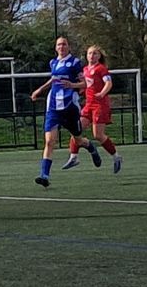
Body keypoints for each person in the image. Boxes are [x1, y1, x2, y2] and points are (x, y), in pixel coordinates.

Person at [29, 36, 101, 188]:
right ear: (56, 48)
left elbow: (85, 84)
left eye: (64, 44)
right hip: (53, 107)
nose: (61, 47)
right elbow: (53, 79)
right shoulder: (53, 62)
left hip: (69, 107)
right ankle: (44, 175)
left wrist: (72, 84)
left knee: (79, 140)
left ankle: (91, 147)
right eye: (59, 44)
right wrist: (40, 90)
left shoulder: (74, 63)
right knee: (49, 141)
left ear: (68, 47)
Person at [62, 45, 122, 172]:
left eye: (95, 53)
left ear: (99, 56)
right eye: (89, 53)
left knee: (98, 135)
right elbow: (84, 86)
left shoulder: (101, 69)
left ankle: (116, 156)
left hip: (100, 105)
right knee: (76, 130)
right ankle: (74, 157)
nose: (91, 55)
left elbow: (108, 83)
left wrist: (102, 93)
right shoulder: (84, 70)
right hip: (88, 105)